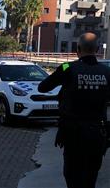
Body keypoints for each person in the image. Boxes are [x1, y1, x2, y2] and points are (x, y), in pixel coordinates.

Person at [38, 32, 109, 188]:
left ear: (78, 49)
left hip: (73, 135)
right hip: (97, 134)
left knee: (73, 177)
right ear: (97, 49)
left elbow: (43, 87)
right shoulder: (107, 72)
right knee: (90, 179)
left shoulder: (68, 67)